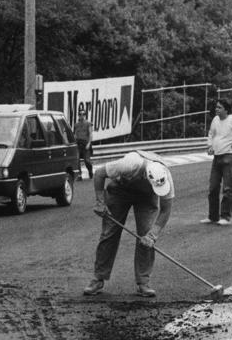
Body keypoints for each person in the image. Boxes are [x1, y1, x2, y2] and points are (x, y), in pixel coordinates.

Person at [84, 150, 174, 297]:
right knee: (109, 233)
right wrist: (100, 202)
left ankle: (143, 282)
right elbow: (99, 173)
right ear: (146, 176)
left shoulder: (165, 178)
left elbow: (166, 210)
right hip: (120, 191)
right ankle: (98, 279)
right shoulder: (130, 164)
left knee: (146, 236)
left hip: (146, 197)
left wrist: (153, 234)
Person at [200, 99, 232, 226]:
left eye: (219, 107)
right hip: (217, 157)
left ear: (226, 110)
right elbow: (211, 134)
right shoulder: (215, 120)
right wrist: (209, 145)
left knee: (227, 188)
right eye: (216, 107)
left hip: (229, 157)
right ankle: (213, 216)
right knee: (213, 188)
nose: (216, 109)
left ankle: (225, 216)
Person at [73, 105, 94, 179]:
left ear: (85, 115)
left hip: (85, 144)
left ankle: (90, 170)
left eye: (83, 114)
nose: (81, 116)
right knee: (77, 159)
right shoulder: (76, 125)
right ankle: (79, 174)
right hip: (78, 143)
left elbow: (91, 134)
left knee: (87, 160)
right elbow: (75, 134)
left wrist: (89, 143)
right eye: (80, 114)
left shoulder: (88, 124)